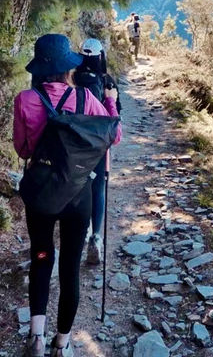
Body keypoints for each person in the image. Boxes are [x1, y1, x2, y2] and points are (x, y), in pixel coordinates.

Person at [14, 34, 121, 357]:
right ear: (67, 68)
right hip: (78, 194)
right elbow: (113, 137)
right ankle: (61, 344)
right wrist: (111, 101)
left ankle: (35, 336)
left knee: (42, 257)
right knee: (71, 267)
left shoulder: (25, 100)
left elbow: (22, 148)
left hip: (43, 194)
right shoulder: (85, 98)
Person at [73, 38, 121, 265]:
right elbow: (115, 124)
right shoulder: (107, 82)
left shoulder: (70, 79)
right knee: (99, 187)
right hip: (99, 146)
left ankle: (80, 231)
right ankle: (97, 236)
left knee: (78, 187)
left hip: (73, 144)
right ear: (101, 57)